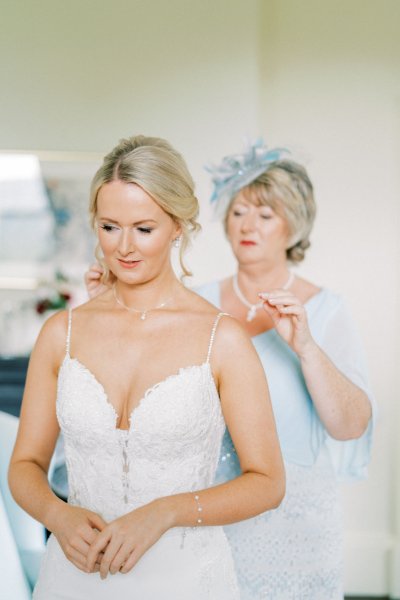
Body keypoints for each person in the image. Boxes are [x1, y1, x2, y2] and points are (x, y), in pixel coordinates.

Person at [85, 139, 374, 599]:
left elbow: (351, 425)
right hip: (205, 516)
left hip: (296, 526)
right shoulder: (193, 302)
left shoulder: (325, 310)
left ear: (293, 226)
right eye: (239, 211)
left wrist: (306, 347)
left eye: (265, 214)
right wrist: (106, 308)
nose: (248, 226)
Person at [8, 135, 285, 600]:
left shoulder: (223, 339)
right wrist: (58, 515)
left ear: (177, 226)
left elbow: (268, 481)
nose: (124, 247)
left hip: (186, 579)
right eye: (109, 226)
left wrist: (166, 511)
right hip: (74, 577)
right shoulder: (62, 332)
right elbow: (24, 465)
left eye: (144, 228)